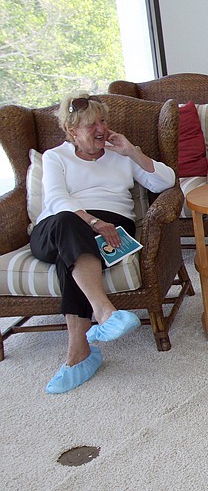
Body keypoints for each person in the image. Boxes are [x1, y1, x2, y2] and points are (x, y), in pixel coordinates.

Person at [30, 92, 176, 394]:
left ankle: (78, 354)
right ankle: (104, 312)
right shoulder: (56, 156)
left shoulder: (119, 153)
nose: (100, 129)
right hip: (56, 227)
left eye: (102, 121)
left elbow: (166, 182)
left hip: (110, 231)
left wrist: (131, 152)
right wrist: (93, 221)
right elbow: (57, 199)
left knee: (69, 259)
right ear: (72, 132)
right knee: (69, 225)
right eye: (89, 125)